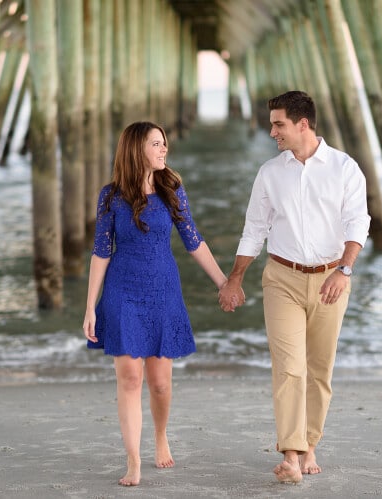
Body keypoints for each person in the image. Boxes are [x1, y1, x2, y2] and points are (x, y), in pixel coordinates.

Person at [217, 90, 369, 484]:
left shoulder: (344, 168)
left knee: (319, 370)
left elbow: (358, 223)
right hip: (281, 277)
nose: (272, 132)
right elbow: (255, 228)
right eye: (272, 124)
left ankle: (309, 444)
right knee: (289, 368)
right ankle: (290, 453)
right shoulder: (271, 172)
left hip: (330, 280)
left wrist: (344, 271)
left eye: (278, 124)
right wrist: (235, 278)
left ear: (303, 124)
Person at [82, 121, 229, 486]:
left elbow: (193, 241)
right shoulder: (111, 196)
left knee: (160, 383)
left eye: (164, 144)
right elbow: (101, 252)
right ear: (137, 150)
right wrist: (90, 307)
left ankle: (160, 436)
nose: (164, 150)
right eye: (157, 144)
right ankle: (133, 460)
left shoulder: (173, 191)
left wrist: (224, 282)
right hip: (122, 291)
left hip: (163, 289)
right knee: (130, 377)